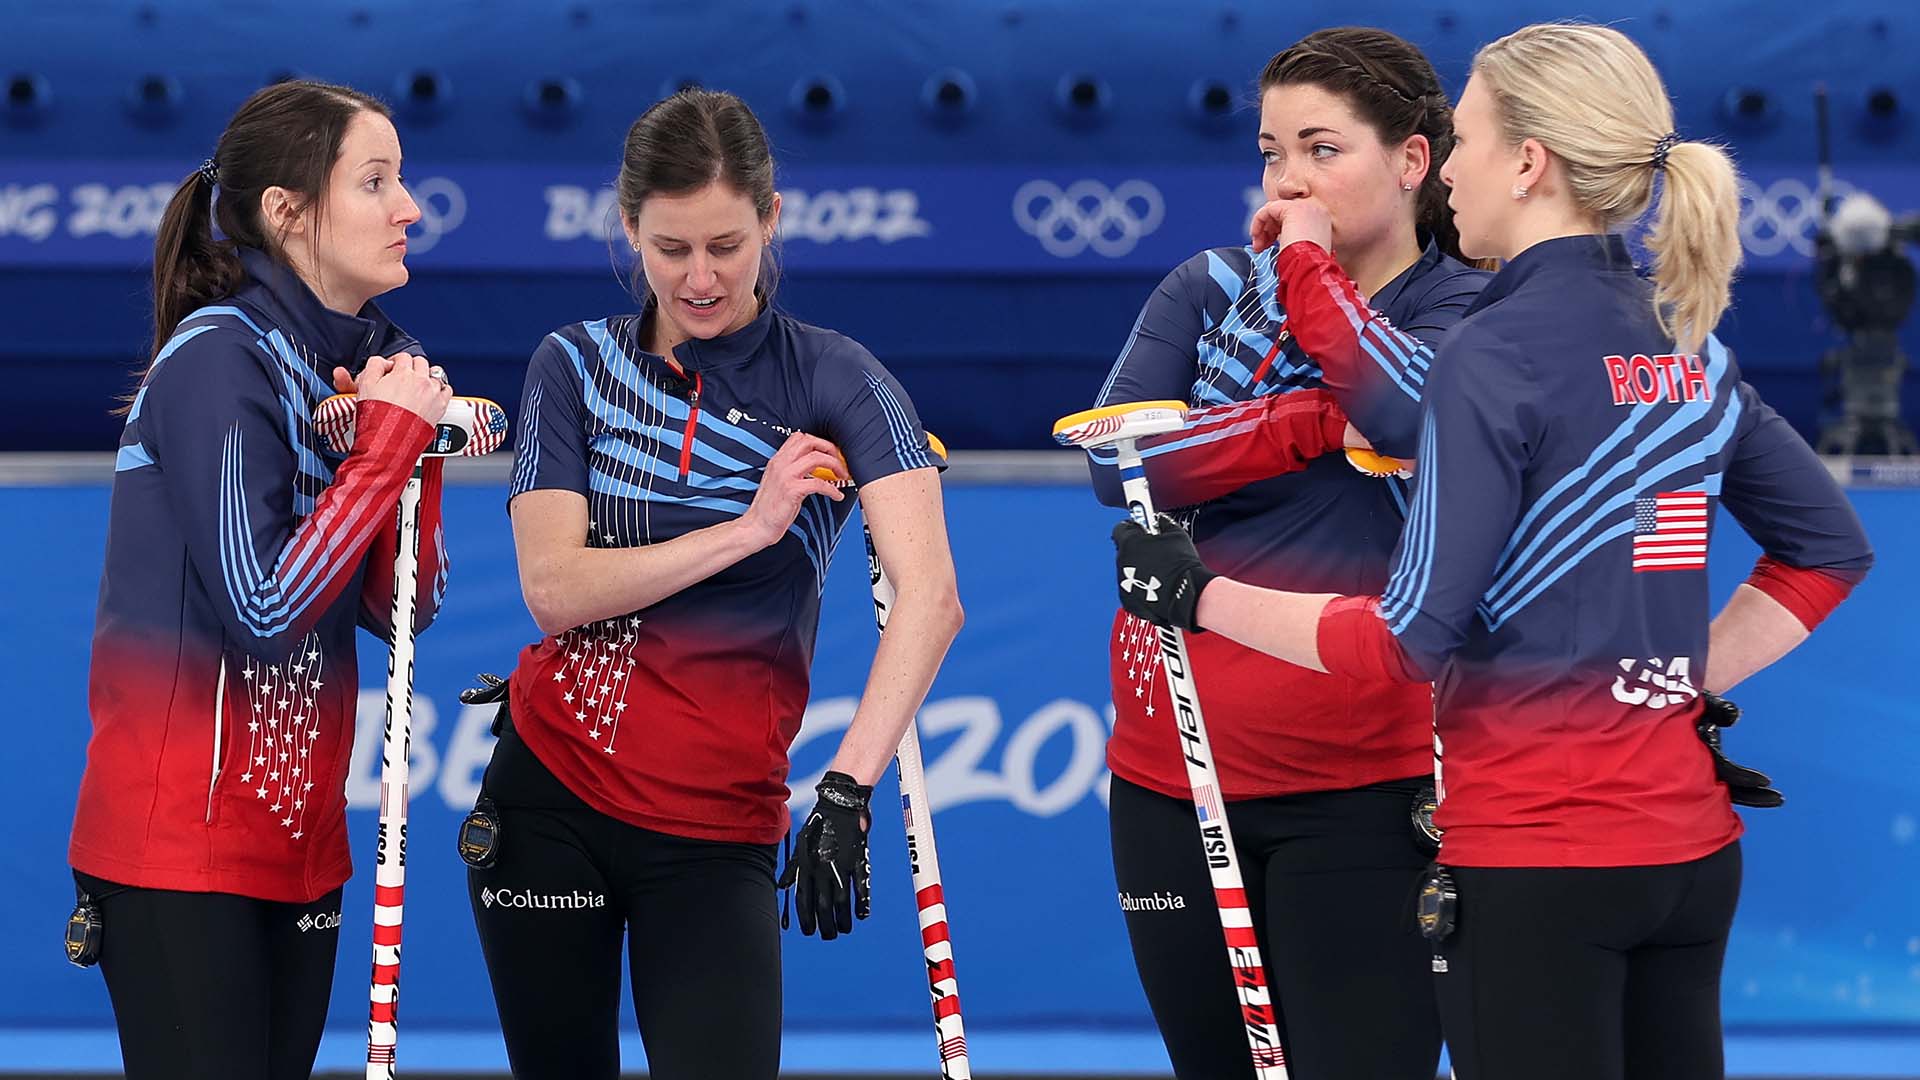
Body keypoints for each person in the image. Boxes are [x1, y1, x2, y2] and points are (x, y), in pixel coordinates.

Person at [1111, 22, 1873, 1080]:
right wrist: (1671, 682)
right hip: (1687, 849)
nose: (1447, 169)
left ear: (1527, 163)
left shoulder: (1491, 347)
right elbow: (1829, 551)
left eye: (1461, 141)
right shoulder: (1685, 340)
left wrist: (1196, 596)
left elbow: (1406, 638)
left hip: (1535, 850)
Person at [465, 88, 963, 1080]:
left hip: (717, 827)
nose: (700, 278)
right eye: (671, 248)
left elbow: (933, 598)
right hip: (550, 798)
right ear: (629, 229)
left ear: (772, 220)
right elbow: (554, 590)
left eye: (727, 246)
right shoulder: (574, 366)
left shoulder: (837, 377)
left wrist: (848, 789)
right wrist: (749, 529)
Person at [1080, 27, 1489, 1079]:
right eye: (1272, 153)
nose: (1288, 179)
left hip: (1370, 786)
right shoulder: (1209, 287)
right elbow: (1118, 465)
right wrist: (1308, 423)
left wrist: (1305, 269)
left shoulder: (1468, 308)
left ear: (1413, 160)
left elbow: (1398, 408)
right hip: (1172, 777)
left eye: (1321, 149)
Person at [67, 80, 450, 1080]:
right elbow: (266, 607)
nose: (410, 208)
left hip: (300, 845)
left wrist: (411, 452)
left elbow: (405, 608)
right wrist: (386, 450)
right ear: (287, 211)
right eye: (376, 182)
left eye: (401, 180)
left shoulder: (355, 366)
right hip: (180, 847)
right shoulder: (216, 359)